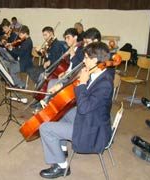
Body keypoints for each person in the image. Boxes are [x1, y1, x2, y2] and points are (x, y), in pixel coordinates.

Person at [39, 42, 114, 178]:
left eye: (86, 58)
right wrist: (59, 88)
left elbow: (84, 107)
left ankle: (62, 167)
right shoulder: (97, 73)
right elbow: (79, 92)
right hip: (90, 119)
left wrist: (83, 83)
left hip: (92, 131)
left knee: (45, 128)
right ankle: (61, 149)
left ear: (95, 60)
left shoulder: (105, 84)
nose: (83, 60)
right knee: (61, 111)